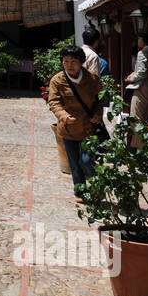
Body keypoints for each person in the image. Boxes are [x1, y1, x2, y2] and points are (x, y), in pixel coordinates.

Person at [48, 44, 104, 194]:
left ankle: (98, 187)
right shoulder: (57, 80)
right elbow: (54, 102)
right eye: (65, 61)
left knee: (86, 161)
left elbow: (99, 100)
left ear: (81, 62)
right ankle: (80, 192)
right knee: (74, 165)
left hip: (88, 127)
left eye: (73, 61)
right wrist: (64, 116)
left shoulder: (92, 78)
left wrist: (98, 114)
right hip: (68, 128)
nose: (69, 65)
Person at [125, 30, 148, 133]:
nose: (138, 40)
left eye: (139, 38)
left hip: (143, 88)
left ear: (144, 40)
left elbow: (142, 73)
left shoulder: (143, 52)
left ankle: (138, 145)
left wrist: (130, 79)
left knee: (136, 119)